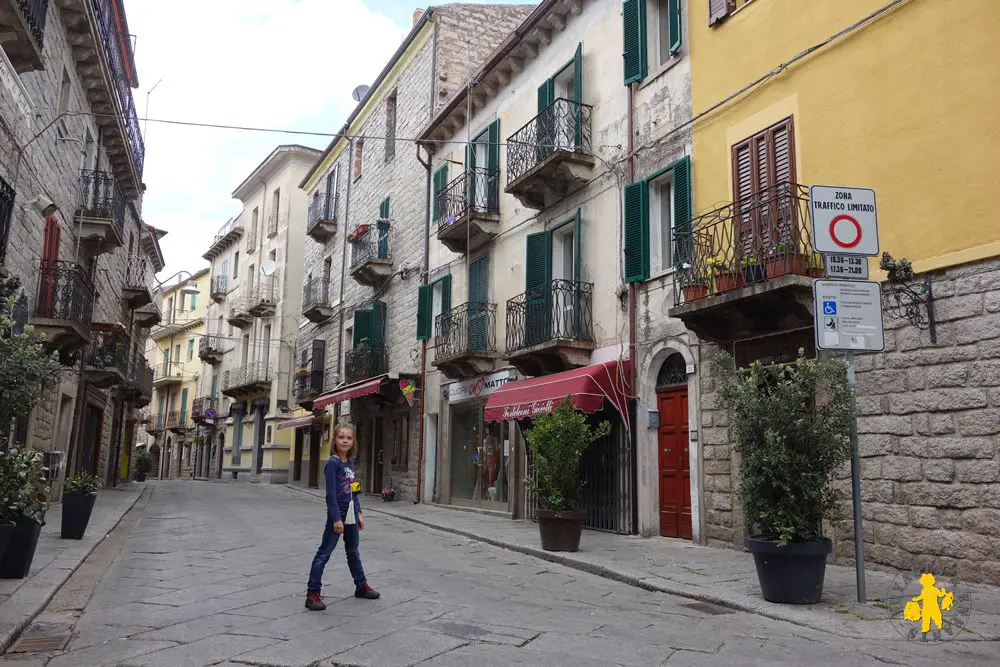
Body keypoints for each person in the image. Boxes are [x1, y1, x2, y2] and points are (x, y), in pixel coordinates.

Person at [305, 423, 380, 610]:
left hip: (352, 513)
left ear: (353, 441)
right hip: (337, 513)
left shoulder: (351, 463)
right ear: (335, 440)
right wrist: (336, 518)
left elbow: (354, 490)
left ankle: (361, 586)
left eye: (349, 438)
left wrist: (360, 512)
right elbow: (331, 494)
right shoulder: (332, 463)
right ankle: (312, 593)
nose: (345, 441)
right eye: (341, 437)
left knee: (353, 551)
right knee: (324, 553)